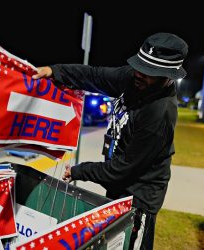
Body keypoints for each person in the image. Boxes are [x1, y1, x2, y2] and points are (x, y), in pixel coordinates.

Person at [32, 32, 188, 249]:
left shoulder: (159, 115)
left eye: (149, 72)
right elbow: (95, 76)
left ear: (168, 77)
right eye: (139, 66)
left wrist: (80, 171)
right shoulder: (135, 78)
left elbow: (122, 169)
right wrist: (55, 71)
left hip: (138, 200)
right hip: (118, 186)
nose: (139, 74)